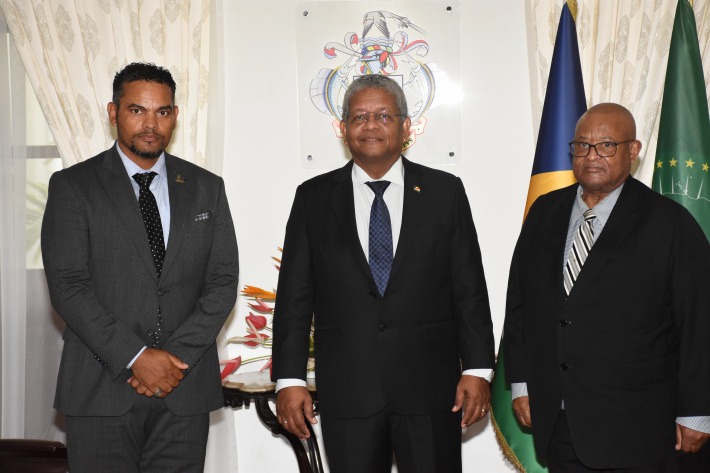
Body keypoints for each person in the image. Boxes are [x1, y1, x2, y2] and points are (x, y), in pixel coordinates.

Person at [272, 74, 495, 473]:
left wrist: (477, 370)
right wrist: (289, 379)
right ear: (343, 130)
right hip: (349, 391)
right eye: (359, 117)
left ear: (406, 127)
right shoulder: (313, 198)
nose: (370, 125)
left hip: (431, 391)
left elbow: (469, 288)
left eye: (382, 115)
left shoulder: (446, 192)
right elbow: (294, 298)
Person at [41, 62, 239, 472]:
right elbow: (68, 286)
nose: (151, 124)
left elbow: (221, 282)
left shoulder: (207, 187)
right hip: (100, 390)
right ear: (113, 113)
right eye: (137, 111)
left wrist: (171, 362)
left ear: (175, 116)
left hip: (184, 392)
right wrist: (136, 357)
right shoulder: (73, 185)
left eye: (162, 112)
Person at [503, 103, 710, 472]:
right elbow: (520, 304)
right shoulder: (544, 211)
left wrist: (697, 413)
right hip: (559, 422)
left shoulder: (671, 224)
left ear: (633, 150)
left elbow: (700, 323)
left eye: (606, 145)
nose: (591, 156)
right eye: (581, 146)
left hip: (642, 429)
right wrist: (521, 383)